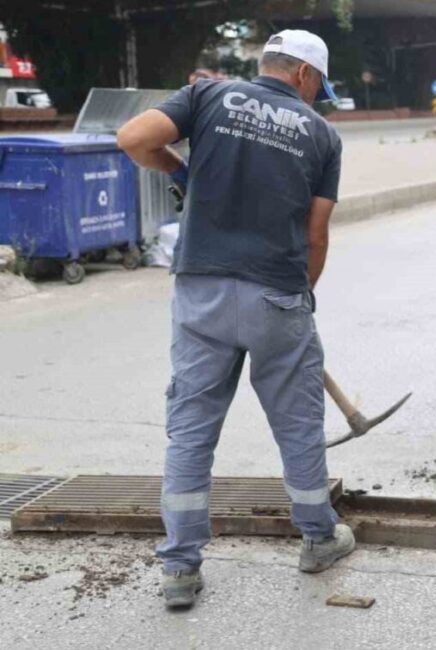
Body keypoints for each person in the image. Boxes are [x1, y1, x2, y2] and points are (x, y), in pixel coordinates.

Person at [117, 29, 349, 609]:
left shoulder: (208, 97)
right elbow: (316, 235)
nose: (318, 96)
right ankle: (320, 539)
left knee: (191, 432)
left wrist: (180, 172)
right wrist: (300, 300)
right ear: (302, 74)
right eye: (319, 84)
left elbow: (133, 138)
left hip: (202, 294)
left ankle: (179, 569)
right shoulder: (322, 134)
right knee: (297, 427)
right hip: (278, 296)